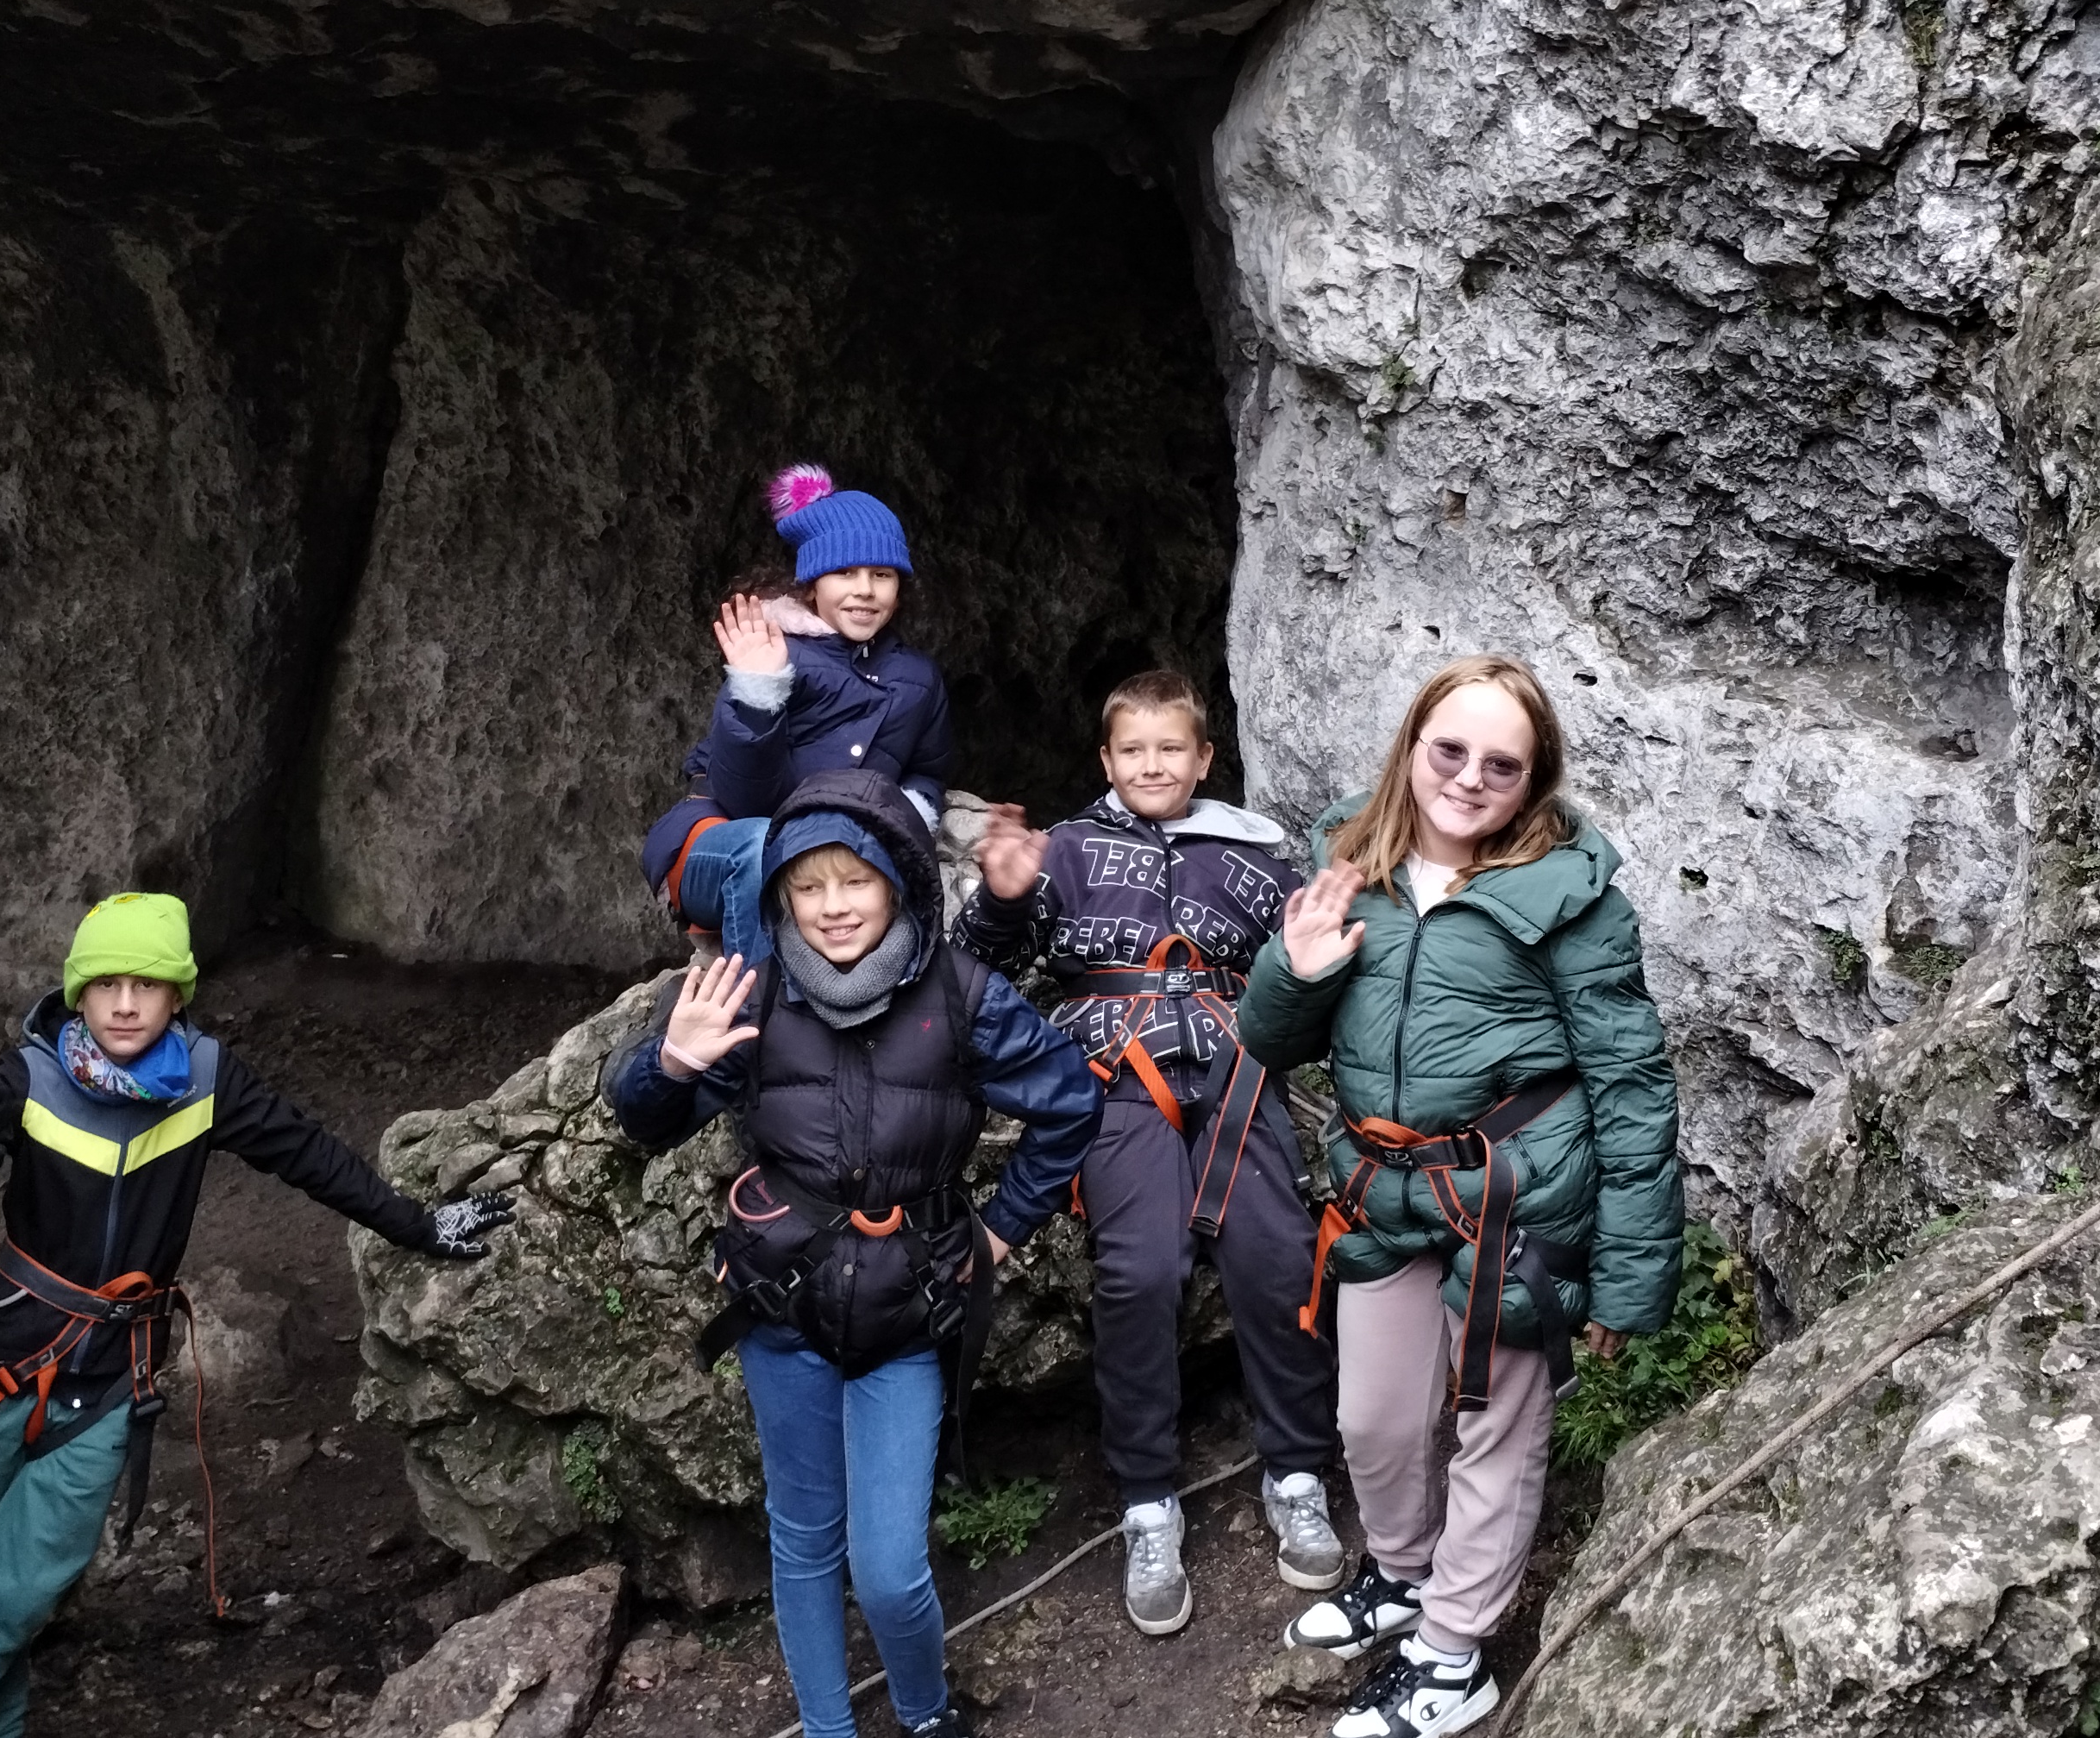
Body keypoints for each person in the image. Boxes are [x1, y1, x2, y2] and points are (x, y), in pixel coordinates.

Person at [0, 892, 517, 1738]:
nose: (124, 1003)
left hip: (110, 1380)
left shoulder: (206, 1081)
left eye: (147, 984)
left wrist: (419, 1225)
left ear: (178, 994)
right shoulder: (26, 1077)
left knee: (10, 1592)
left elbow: (310, 1155)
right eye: (106, 985)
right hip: (1, 1362)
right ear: (78, 993)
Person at [1236, 656, 1682, 1738]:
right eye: (1450, 749)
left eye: (1502, 764)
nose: (1469, 777)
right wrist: (1296, 968)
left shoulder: (1575, 903)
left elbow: (1631, 1082)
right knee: (1374, 1416)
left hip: (1518, 1199)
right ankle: (1401, 1572)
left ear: (1533, 781)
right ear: (1411, 746)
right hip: (1383, 1189)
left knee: (1496, 1426)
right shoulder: (1353, 863)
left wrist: (1627, 1275)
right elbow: (1271, 1042)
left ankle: (1453, 1652)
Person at [611, 769, 1097, 1738]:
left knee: (888, 1569)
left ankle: (925, 1715)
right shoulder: (753, 990)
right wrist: (668, 1062)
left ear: (899, 883)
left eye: (855, 881)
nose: (832, 906)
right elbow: (644, 1121)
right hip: (781, 1304)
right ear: (780, 896)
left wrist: (1001, 1229)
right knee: (803, 1540)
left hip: (906, 1313)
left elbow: (1071, 1103)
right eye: (808, 886)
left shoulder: (961, 995)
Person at [956, 668, 1344, 1633]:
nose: (1153, 764)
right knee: (1139, 1270)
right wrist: (1003, 896)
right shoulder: (1065, 851)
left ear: (1206, 758)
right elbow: (977, 962)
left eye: (1172, 747)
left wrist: (1322, 946)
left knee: (1278, 1255)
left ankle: (1297, 1472)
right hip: (1115, 1072)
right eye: (1133, 749)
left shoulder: (1256, 858)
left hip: (1236, 1065)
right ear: (1105, 759)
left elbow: (1309, 968)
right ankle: (1147, 1501)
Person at [640, 464, 955, 966]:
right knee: (762, 847)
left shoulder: (917, 678)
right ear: (811, 585)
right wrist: (757, 691)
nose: (865, 589)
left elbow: (927, 770)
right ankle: (759, 1006)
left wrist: (904, 816)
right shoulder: (773, 652)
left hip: (828, 859)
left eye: (882, 574)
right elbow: (744, 800)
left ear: (900, 590)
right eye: (844, 573)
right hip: (722, 840)